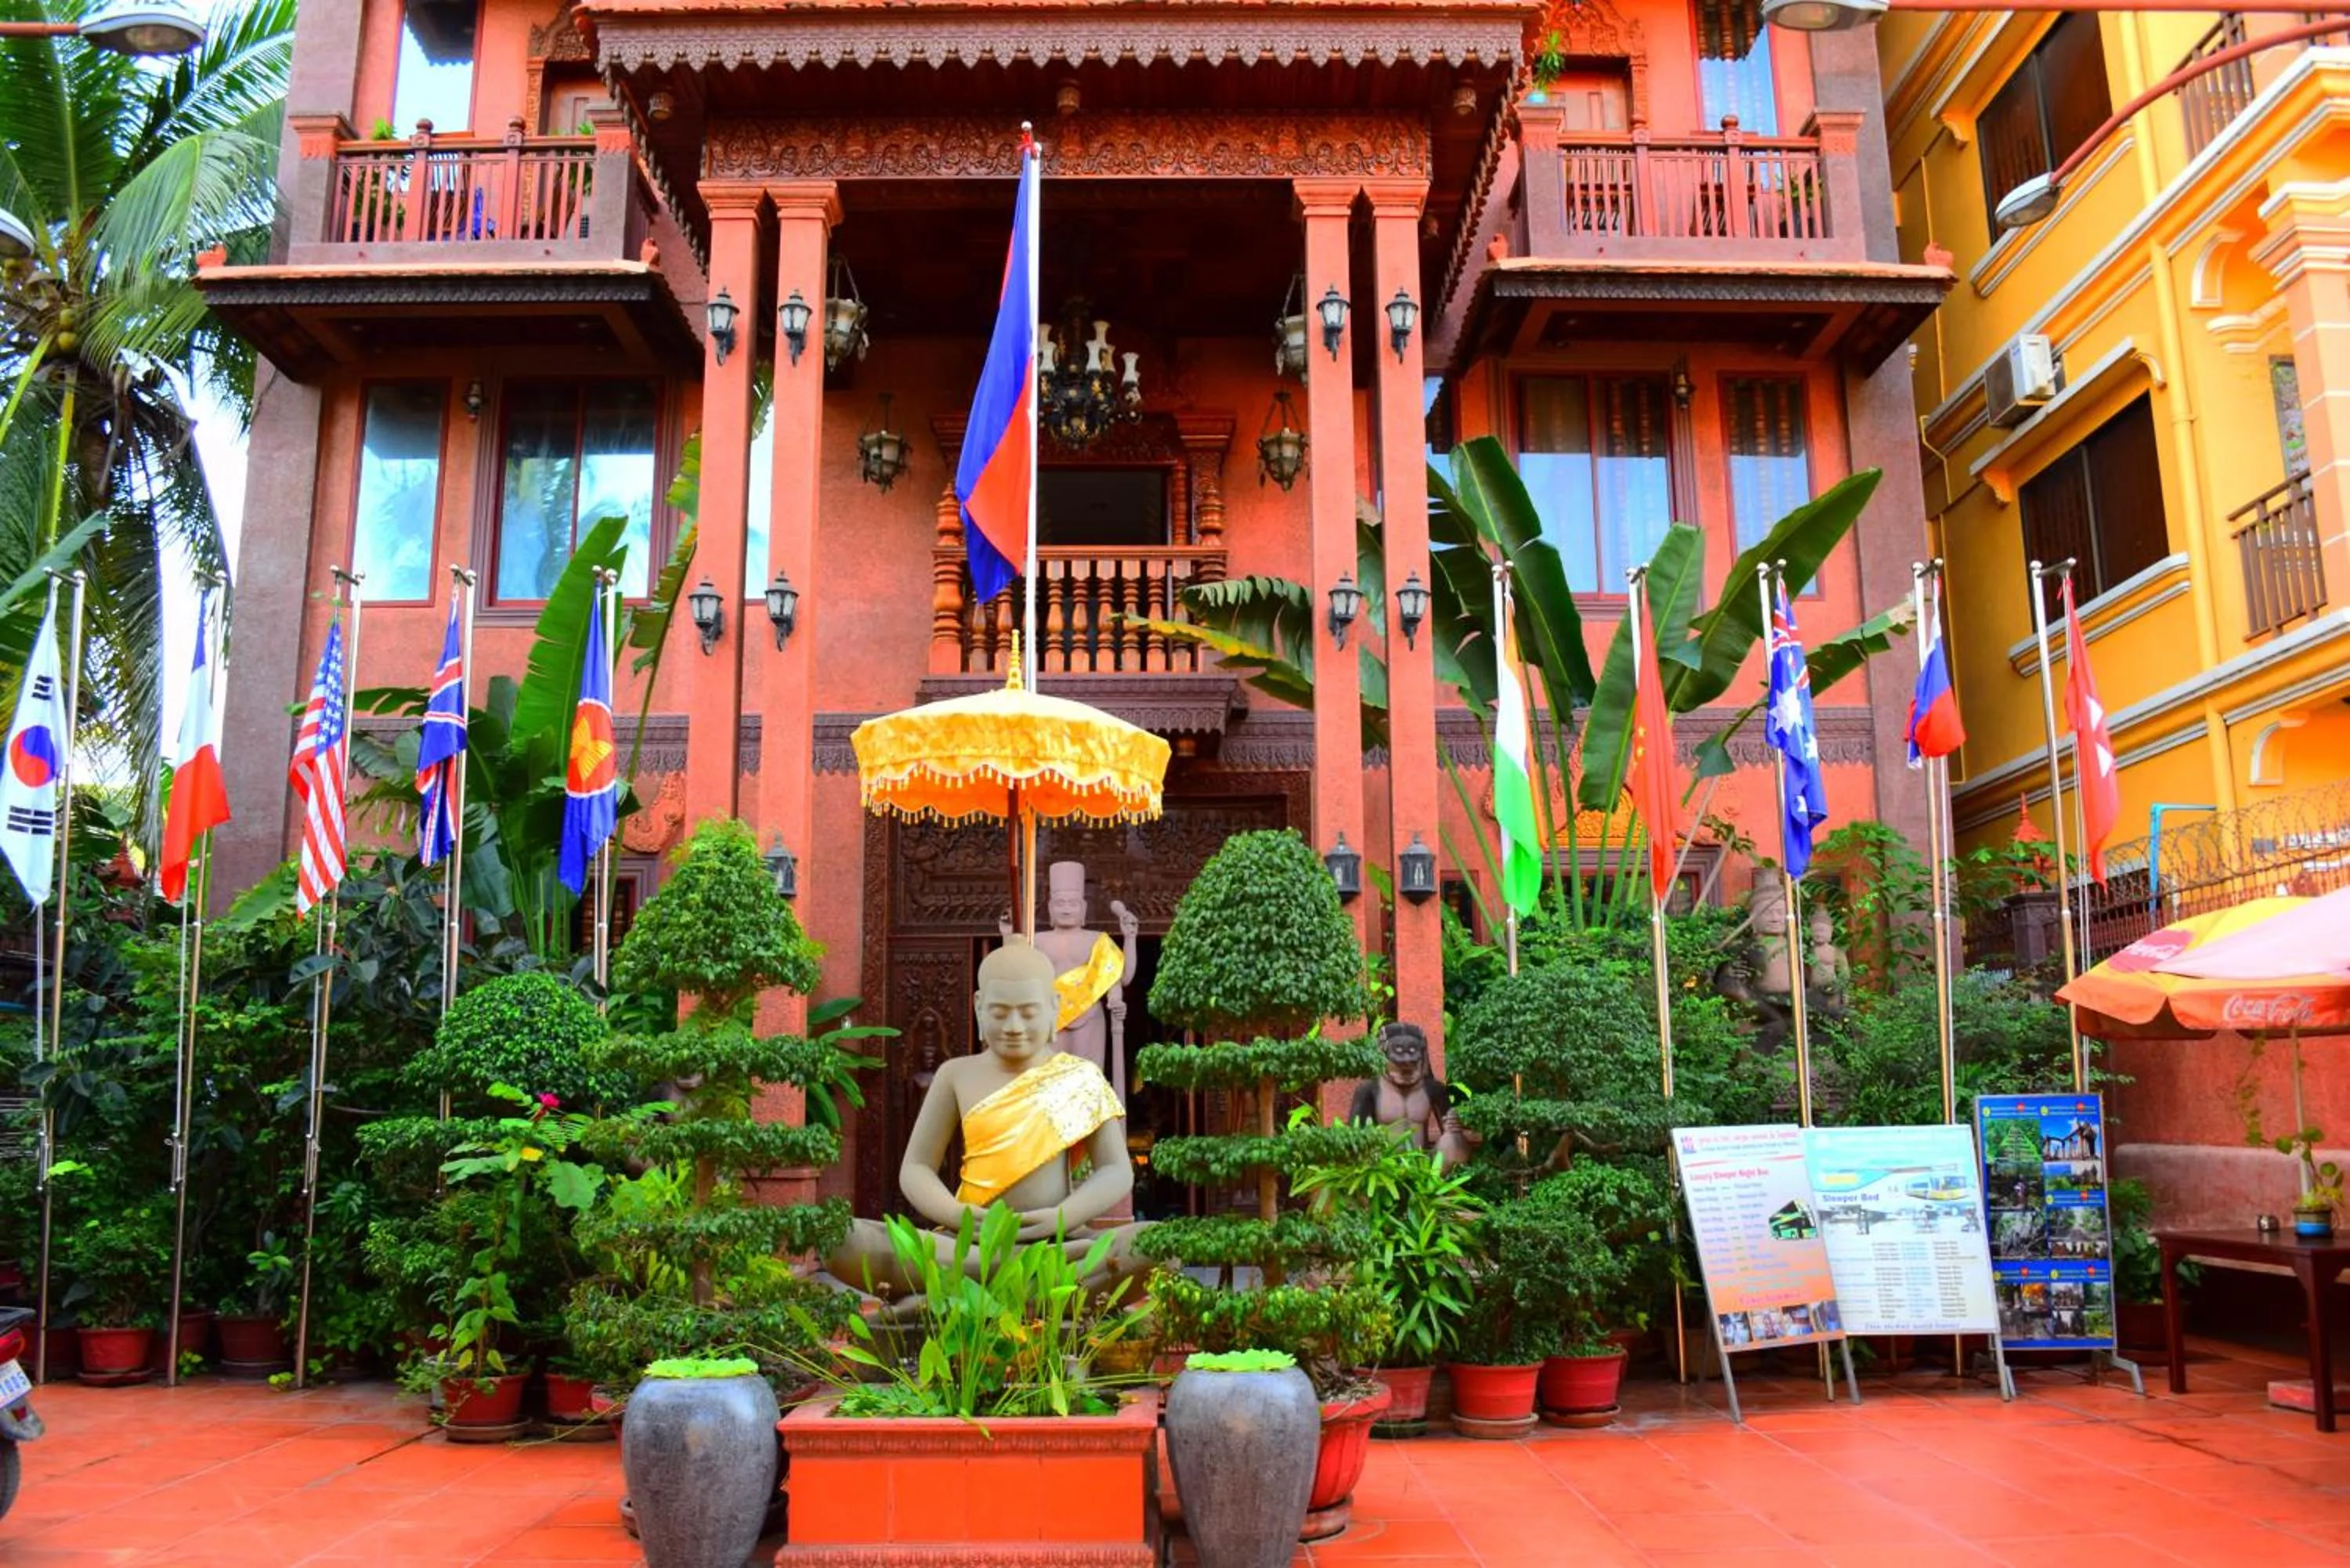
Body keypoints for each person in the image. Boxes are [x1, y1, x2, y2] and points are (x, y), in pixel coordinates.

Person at [822, 941, 1148, 1313]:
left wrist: (1062, 1218)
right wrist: (955, 1216)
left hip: (1057, 1240)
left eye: (1029, 1013)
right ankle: (1027, 1286)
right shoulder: (956, 1074)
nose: (1014, 1027)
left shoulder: (1080, 1076)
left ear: (1054, 1007)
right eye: (999, 1013)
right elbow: (916, 1168)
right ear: (979, 1007)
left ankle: (964, 1294)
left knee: (1155, 1246)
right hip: (968, 1241)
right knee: (841, 1240)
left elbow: (1115, 1170)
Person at [1002, 861, 1140, 1104]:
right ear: (1050, 908)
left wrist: (1130, 939)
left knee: (1085, 1084)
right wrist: (1007, 937)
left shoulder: (1097, 940)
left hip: (1089, 1018)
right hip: (1049, 1019)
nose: (1067, 909)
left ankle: (1086, 1129)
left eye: (1073, 903)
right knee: (1050, 1084)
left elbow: (1124, 977)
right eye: (1060, 903)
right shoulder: (1037, 940)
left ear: (1084, 908)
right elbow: (1013, 972)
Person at [1347, 1022, 1470, 1167]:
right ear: (1382, 1057)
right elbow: (1354, 1137)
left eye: (1413, 1064)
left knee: (1452, 1140)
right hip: (1384, 1167)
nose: (1406, 1069)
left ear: (1423, 1059)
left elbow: (1450, 1130)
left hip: (1423, 1167)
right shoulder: (1369, 1089)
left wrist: (1454, 1124)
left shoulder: (1433, 1089)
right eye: (1399, 1064)